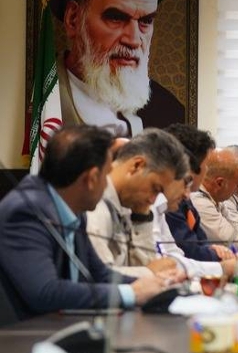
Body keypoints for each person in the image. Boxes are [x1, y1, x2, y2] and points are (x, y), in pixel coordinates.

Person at [0, 126, 175, 320]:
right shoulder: (25, 211)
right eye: (107, 175)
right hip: (22, 333)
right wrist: (131, 293)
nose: (108, 184)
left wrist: (159, 285)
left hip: (62, 326)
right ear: (91, 179)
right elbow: (45, 292)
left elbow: (101, 274)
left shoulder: (74, 210)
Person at [42, 0, 184, 140]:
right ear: (73, 19)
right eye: (116, 18)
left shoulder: (169, 111)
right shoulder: (44, 101)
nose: (133, 40)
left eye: (145, 21)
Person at [85, 129, 188, 277]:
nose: (153, 200)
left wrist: (142, 216)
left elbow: (143, 266)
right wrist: (149, 272)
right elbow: (99, 276)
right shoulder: (94, 204)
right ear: (137, 166)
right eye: (155, 189)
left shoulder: (126, 205)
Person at [163, 124, 234, 263]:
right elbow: (190, 252)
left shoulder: (185, 200)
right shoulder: (168, 201)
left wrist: (213, 250)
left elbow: (202, 242)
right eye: (206, 165)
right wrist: (218, 256)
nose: (207, 171)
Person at [192, 148, 238, 243]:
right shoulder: (200, 203)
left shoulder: (215, 200)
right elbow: (237, 243)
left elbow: (237, 233)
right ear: (220, 183)